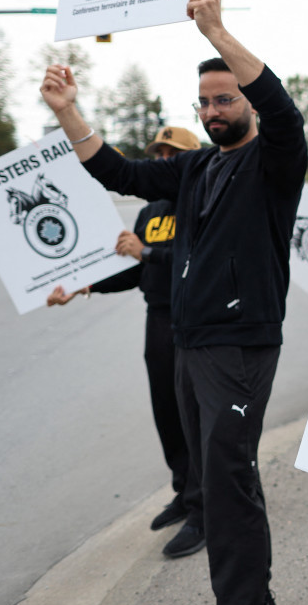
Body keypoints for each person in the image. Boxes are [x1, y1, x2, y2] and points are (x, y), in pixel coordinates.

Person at [40, 0, 308, 605]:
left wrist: (216, 32)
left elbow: (287, 114)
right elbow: (121, 172)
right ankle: (246, 603)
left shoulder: (276, 161)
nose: (214, 112)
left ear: (246, 99)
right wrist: (67, 112)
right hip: (190, 343)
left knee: (228, 478)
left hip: (239, 346)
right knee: (215, 480)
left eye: (225, 99)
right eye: (205, 103)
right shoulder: (195, 167)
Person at [46, 125, 203, 547]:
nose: (162, 162)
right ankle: (183, 493)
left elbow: (200, 264)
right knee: (167, 413)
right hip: (158, 320)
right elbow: (138, 272)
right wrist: (86, 285)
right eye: (157, 155)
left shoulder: (201, 201)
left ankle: (204, 509)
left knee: (196, 419)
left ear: (191, 160)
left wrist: (146, 252)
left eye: (172, 155)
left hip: (195, 322)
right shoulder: (150, 211)